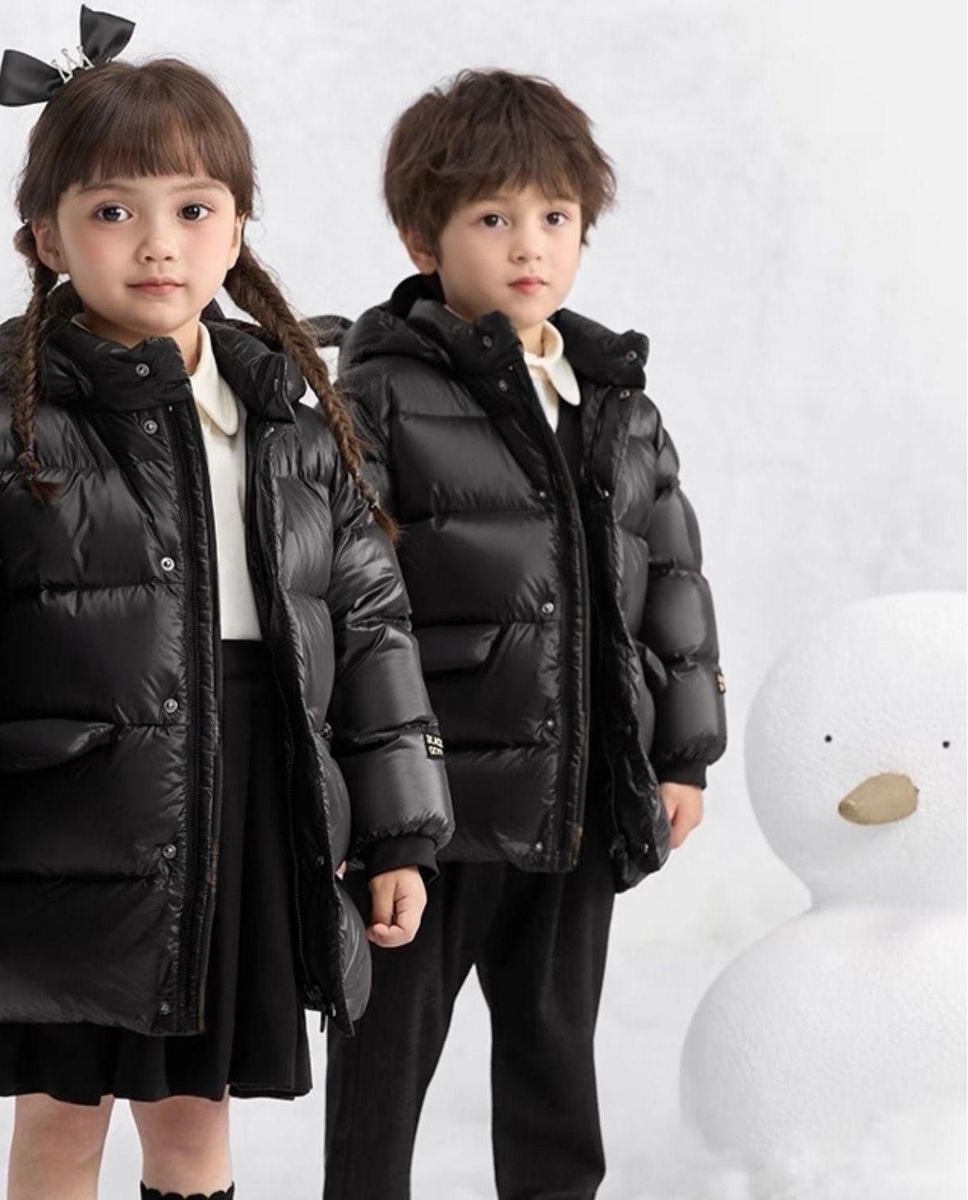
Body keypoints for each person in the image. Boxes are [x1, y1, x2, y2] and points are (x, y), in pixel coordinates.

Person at [0, 9, 453, 1200]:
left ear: (237, 227)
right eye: (113, 211)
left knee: (193, 1120)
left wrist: (400, 829)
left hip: (249, 806)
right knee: (62, 1122)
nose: (158, 244)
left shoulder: (296, 433)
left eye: (192, 208)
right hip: (71, 831)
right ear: (47, 237)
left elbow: (375, 637)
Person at [324, 68, 728, 1199]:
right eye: (492, 219)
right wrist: (374, 806)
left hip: (580, 793)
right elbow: (350, 611)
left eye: (554, 217)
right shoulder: (381, 400)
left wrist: (682, 754)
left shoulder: (618, 406)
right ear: (424, 239)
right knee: (384, 1056)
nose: (529, 246)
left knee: (556, 1052)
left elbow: (673, 584)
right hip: (434, 808)